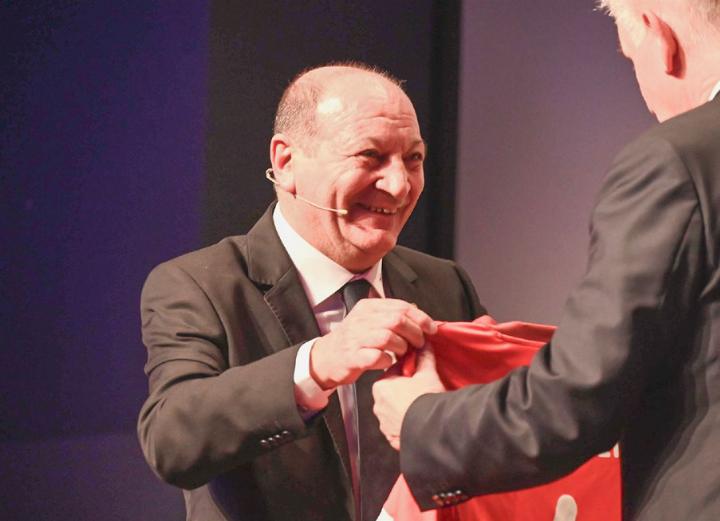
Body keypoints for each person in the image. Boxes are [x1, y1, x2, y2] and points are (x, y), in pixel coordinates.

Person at [372, 2, 720, 520]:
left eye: (629, 58)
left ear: (656, 34)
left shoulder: (676, 160)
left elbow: (579, 397)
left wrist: (423, 420)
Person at [137, 62, 485, 521]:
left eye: (413, 159)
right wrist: (318, 363)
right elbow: (171, 440)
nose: (399, 185)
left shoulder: (444, 283)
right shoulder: (200, 285)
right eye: (370, 156)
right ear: (286, 163)